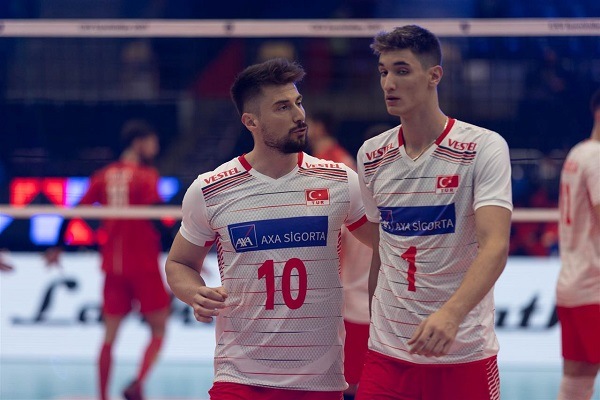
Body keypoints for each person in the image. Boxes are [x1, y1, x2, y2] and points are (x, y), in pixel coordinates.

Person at [165, 58, 375, 400]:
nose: (299, 115)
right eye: (282, 107)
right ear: (251, 121)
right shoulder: (211, 189)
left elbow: (389, 245)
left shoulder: (340, 181)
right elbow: (179, 263)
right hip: (239, 378)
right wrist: (194, 292)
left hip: (319, 381)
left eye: (298, 102)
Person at [355, 25, 513, 400]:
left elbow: (495, 246)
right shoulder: (371, 155)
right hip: (388, 357)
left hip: (463, 354)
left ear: (434, 76)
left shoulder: (483, 147)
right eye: (383, 72)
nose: (389, 83)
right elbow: (382, 248)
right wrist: (376, 321)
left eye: (402, 70)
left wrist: (451, 315)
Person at [46, 119, 171, 400]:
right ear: (139, 143)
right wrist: (184, 248)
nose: (156, 148)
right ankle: (137, 383)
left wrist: (58, 245)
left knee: (109, 336)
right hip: (144, 264)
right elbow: (157, 217)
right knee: (159, 327)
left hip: (112, 266)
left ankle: (102, 396)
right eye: (152, 142)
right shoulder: (146, 175)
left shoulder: (102, 175)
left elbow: (74, 211)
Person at [307, 112, 371, 399]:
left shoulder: (336, 167)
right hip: (345, 297)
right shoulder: (321, 162)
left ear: (319, 127)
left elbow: (337, 234)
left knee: (348, 381)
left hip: (347, 297)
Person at [555, 88, 600, 400]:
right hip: (594, 286)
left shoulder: (578, 153)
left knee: (577, 378)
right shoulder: (597, 157)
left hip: (574, 284)